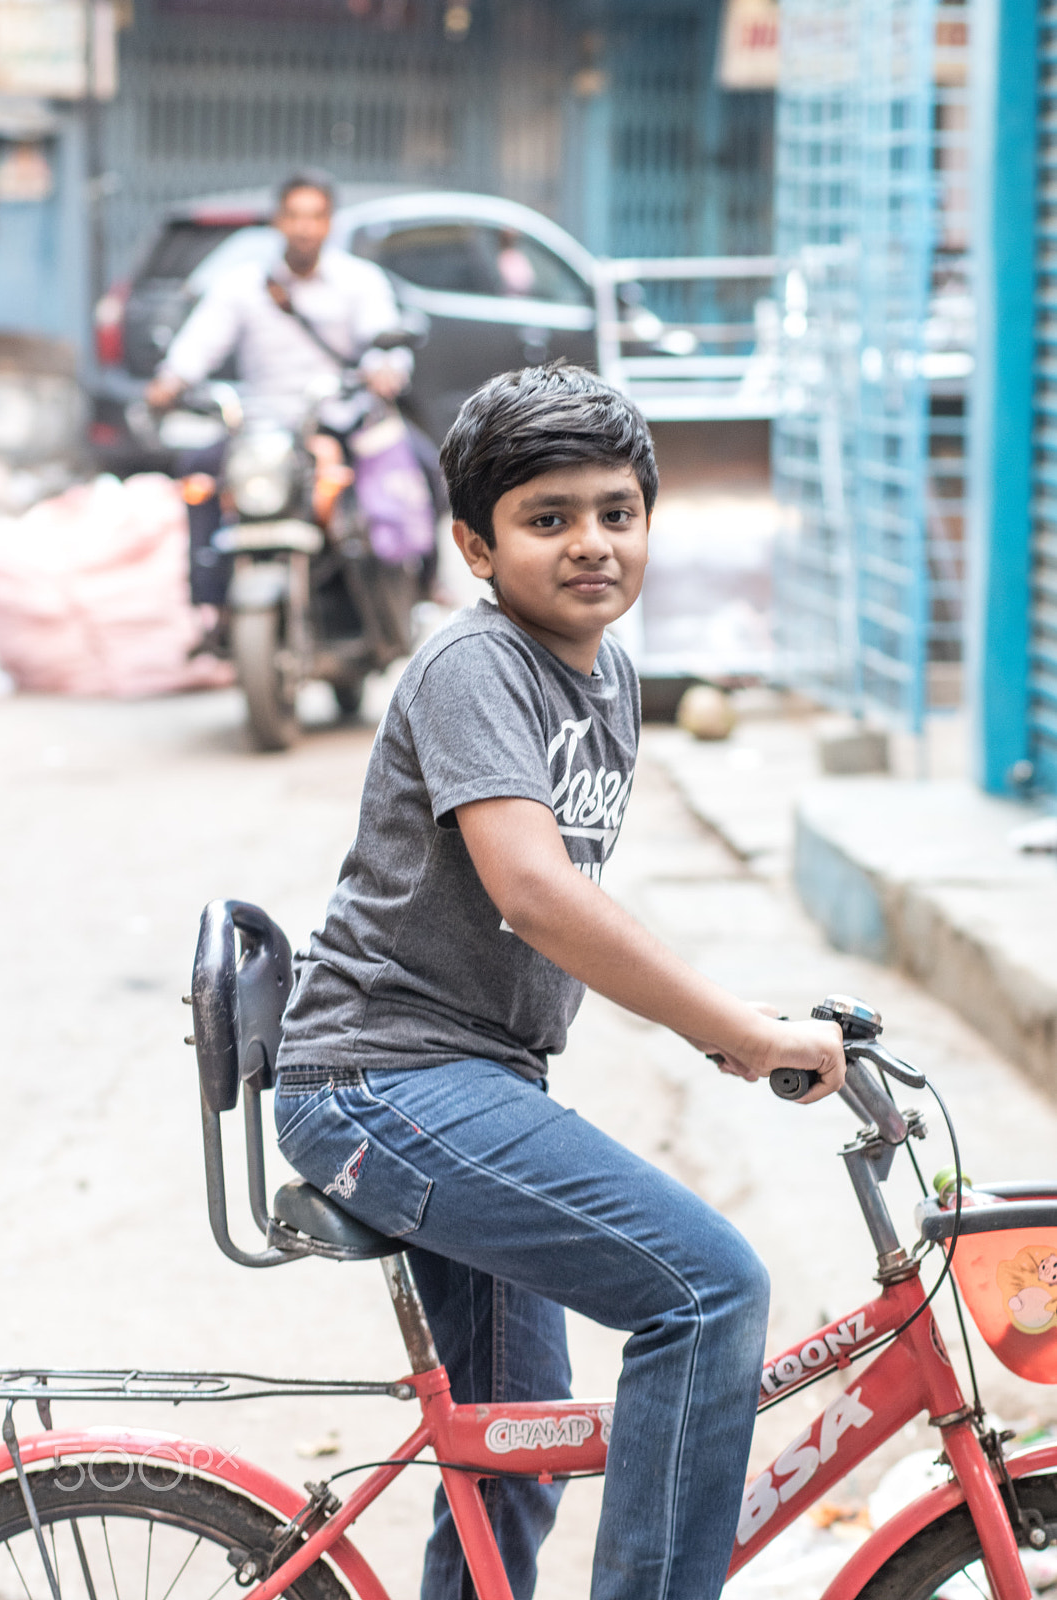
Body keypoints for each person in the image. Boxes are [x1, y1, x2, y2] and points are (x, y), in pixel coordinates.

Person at [273, 363, 845, 1600]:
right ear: (477, 545)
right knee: (708, 1287)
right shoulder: (476, 665)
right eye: (548, 518)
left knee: (517, 1447)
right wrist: (740, 1032)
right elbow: (534, 892)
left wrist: (734, 1026)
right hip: (385, 1076)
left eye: (615, 512)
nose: (590, 543)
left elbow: (573, 919)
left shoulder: (609, 678)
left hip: (467, 1078)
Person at [145, 170, 419, 607]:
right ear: (277, 222)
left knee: (424, 468)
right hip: (262, 430)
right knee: (197, 471)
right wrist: (170, 381)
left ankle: (410, 592)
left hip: (337, 422)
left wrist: (384, 370)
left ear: (331, 223)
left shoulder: (360, 282)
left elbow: (381, 339)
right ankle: (210, 603)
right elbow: (199, 344)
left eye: (315, 216)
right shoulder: (243, 286)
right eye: (294, 216)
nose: (304, 227)